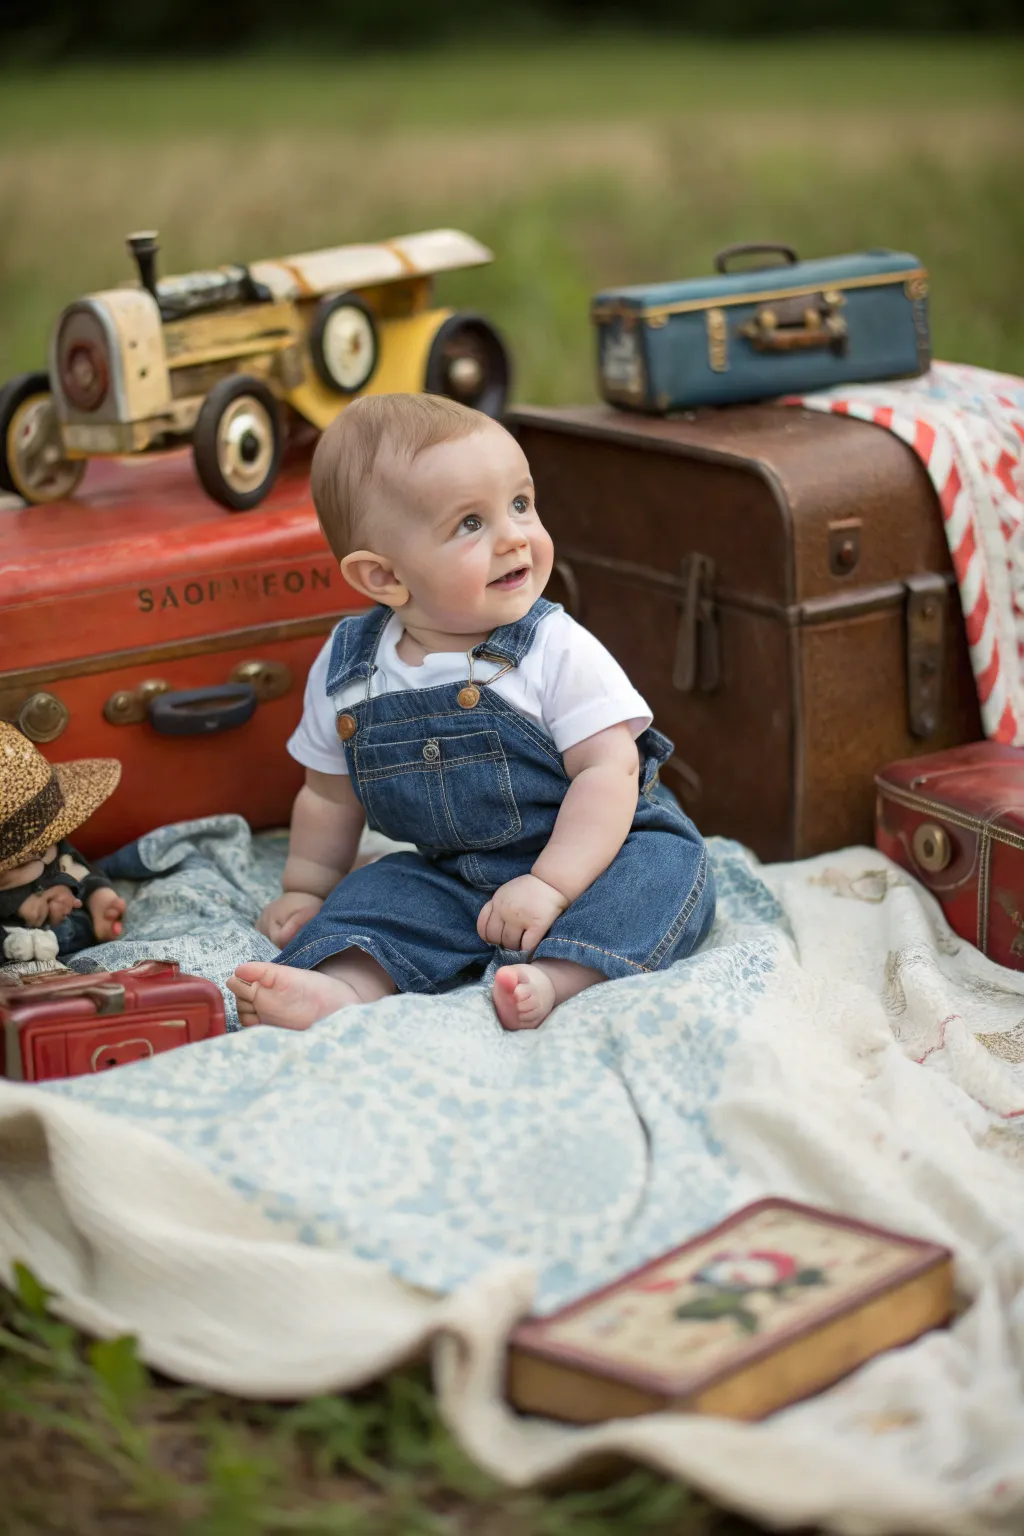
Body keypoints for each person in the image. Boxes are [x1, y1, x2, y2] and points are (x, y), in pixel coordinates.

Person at [228, 394, 714, 1032]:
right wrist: (307, 888)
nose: (515, 536)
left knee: (669, 871)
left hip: (598, 847)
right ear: (382, 576)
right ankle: (344, 987)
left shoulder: (553, 647)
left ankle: (561, 974)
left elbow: (610, 771)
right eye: (469, 524)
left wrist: (550, 885)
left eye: (520, 504)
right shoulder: (351, 669)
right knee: (377, 896)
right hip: (451, 873)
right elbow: (327, 796)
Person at [0, 722, 125, 965]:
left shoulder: (48, 844)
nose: (45, 856)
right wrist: (15, 942)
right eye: (21, 864)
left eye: (47, 845)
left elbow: (73, 863)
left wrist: (97, 894)